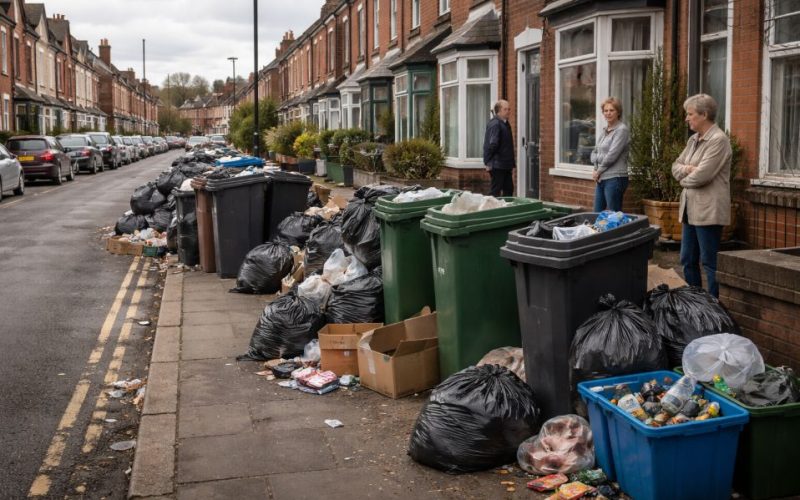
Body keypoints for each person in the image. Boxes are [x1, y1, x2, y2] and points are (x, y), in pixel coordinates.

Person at [671, 93, 732, 298]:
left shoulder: (718, 140)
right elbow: (675, 166)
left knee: (709, 261)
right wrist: (688, 169)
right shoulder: (693, 140)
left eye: (690, 114)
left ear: (704, 115)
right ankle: (696, 303)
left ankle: (714, 306)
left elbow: (702, 176)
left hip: (709, 210)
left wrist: (684, 178)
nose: (686, 119)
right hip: (690, 209)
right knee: (687, 259)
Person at [590, 97, 630, 212]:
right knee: (597, 213)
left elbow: (612, 155)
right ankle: (599, 231)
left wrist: (598, 170)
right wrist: (595, 169)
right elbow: (594, 152)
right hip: (601, 178)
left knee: (614, 214)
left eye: (611, 110)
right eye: (605, 110)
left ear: (618, 112)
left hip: (615, 178)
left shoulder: (621, 130)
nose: (608, 113)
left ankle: (619, 231)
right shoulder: (605, 131)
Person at [483, 99, 515, 197]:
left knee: (508, 189)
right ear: (498, 111)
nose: (508, 111)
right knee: (495, 191)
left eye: (509, 109)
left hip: (505, 164)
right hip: (497, 165)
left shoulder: (505, 123)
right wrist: (487, 161)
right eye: (505, 109)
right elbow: (492, 144)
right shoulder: (495, 124)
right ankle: (490, 210)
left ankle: (506, 210)